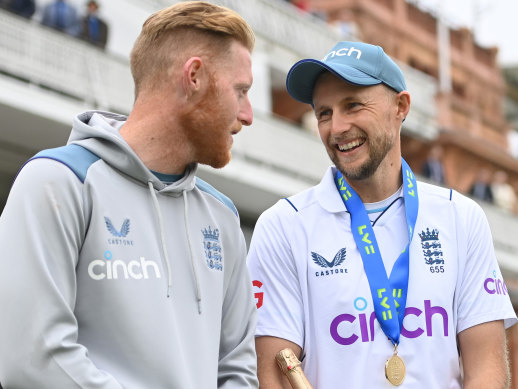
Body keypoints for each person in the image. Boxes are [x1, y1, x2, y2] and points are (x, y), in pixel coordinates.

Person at [0, 2, 258, 388]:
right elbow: (33, 358)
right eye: (240, 91)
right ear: (194, 76)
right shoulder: (58, 182)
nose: (249, 114)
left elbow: (238, 371)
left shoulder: (221, 217)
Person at [247, 41, 516, 388]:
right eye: (324, 113)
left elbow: (487, 370)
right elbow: (274, 376)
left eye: (353, 105)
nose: (338, 127)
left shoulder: (460, 218)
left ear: (400, 106)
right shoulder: (283, 226)